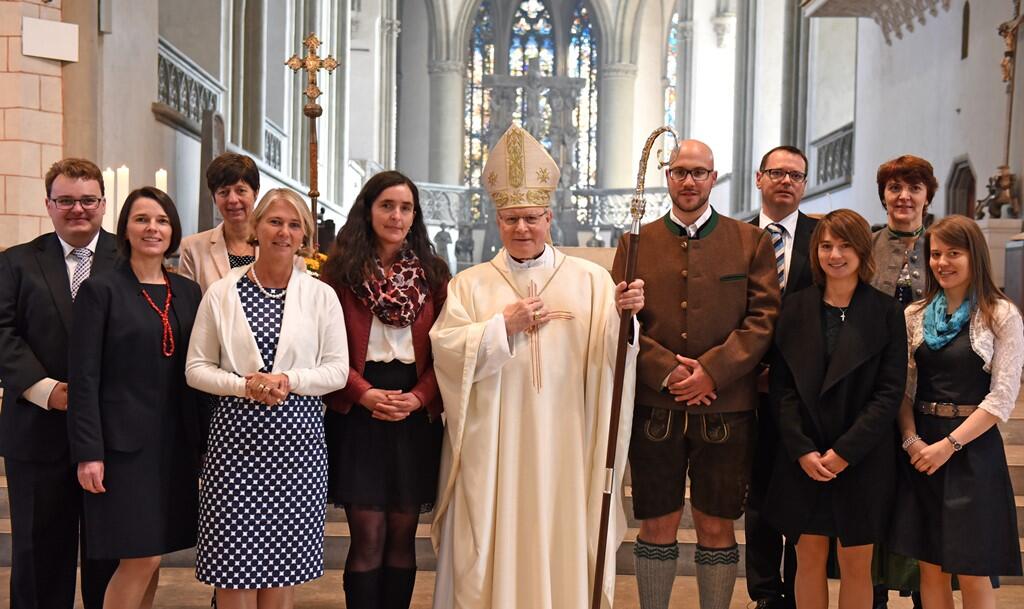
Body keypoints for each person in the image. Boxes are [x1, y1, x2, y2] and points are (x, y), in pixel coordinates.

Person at [429, 124, 645, 609]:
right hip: (496, 449)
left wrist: (627, 319)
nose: (521, 228)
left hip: (567, 445)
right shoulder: (470, 285)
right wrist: (501, 327)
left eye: (531, 217)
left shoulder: (591, 281)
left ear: (549, 217)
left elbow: (613, 357)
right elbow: (446, 350)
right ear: (497, 221)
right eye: (511, 219)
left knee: (561, 532)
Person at [616, 139, 780, 609]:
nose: (689, 181)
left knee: (716, 524)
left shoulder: (750, 242)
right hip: (656, 407)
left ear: (714, 178)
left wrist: (712, 371)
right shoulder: (635, 243)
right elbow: (620, 322)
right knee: (657, 523)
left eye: (699, 172)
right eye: (680, 172)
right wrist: (667, 371)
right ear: (667, 177)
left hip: (726, 408)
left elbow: (763, 319)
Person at [185, 188, 349, 609]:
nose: (284, 232)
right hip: (236, 447)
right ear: (256, 228)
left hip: (297, 449)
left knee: (281, 574)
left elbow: (337, 370)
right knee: (233, 572)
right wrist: (245, 385)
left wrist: (287, 380)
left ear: (305, 236)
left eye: (294, 225)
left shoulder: (320, 295)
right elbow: (196, 368)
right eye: (275, 222)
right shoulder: (222, 292)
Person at [67, 187, 205, 609]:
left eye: (162, 220)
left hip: (174, 447)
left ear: (172, 229)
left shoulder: (188, 291)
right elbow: (84, 378)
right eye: (142, 219)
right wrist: (88, 452)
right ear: (125, 228)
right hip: (123, 450)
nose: (153, 228)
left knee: (154, 554)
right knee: (138, 556)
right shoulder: (101, 290)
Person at [764, 209, 907, 609]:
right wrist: (802, 450)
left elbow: (888, 392)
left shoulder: (886, 312)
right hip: (805, 456)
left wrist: (845, 452)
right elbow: (783, 389)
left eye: (845, 245)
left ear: (862, 251)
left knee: (855, 563)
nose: (835, 254)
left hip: (861, 459)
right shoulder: (794, 308)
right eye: (826, 245)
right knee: (806, 559)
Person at [321, 171, 451, 608]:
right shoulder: (339, 273)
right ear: (368, 210)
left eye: (406, 207)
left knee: (401, 535)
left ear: (415, 216)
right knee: (368, 536)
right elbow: (327, 347)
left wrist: (419, 397)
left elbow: (447, 351)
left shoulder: (433, 275)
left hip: (414, 410)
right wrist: (362, 393)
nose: (396, 216)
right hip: (359, 409)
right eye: (387, 206)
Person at [0, 158, 119, 609]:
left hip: (111, 434)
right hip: (36, 429)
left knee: (108, 556)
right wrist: (46, 389)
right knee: (37, 553)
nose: (78, 209)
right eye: (66, 200)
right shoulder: (16, 262)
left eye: (88, 199)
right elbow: (1, 332)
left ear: (104, 204)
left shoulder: (129, 260)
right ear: (48, 204)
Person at [889, 215, 1023, 609]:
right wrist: (912, 440)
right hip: (922, 448)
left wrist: (948, 446)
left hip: (972, 450)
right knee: (930, 567)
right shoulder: (915, 314)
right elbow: (903, 389)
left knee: (972, 568)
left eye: (954, 253)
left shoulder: (1000, 313)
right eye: (935, 254)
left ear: (974, 256)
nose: (942, 262)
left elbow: (1002, 398)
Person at [746, 145, 819, 609]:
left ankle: (796, 592)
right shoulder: (732, 234)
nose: (786, 181)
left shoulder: (822, 236)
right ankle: (764, 594)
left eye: (795, 175)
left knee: (797, 493)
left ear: (804, 184)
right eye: (777, 172)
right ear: (759, 178)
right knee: (758, 494)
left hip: (803, 391)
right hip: (745, 387)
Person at [178, 152, 303, 292]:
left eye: (241, 191)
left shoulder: (284, 246)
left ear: (256, 193)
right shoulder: (193, 248)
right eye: (223, 192)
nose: (232, 200)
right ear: (214, 198)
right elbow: (188, 304)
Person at [871, 155, 937, 306]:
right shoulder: (865, 246)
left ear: (927, 197)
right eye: (895, 188)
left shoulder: (940, 247)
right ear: (883, 196)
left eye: (915, 188)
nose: (904, 196)